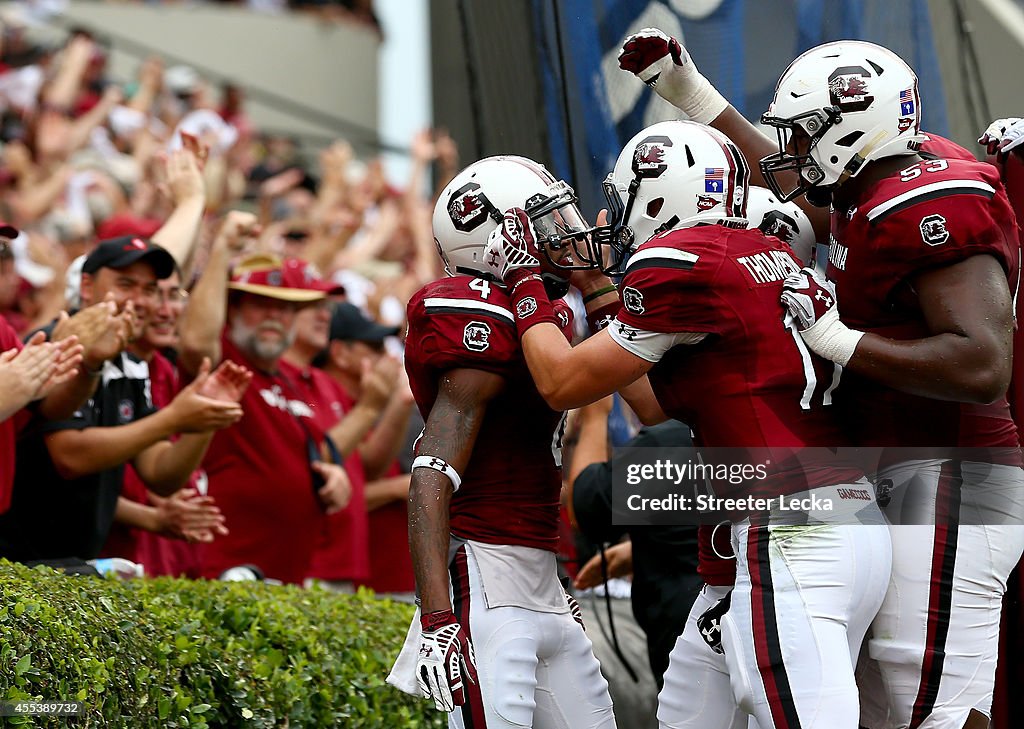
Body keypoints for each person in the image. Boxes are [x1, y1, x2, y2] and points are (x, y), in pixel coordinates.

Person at [618, 31, 1024, 729]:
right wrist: (694, 96)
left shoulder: (925, 200)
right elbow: (789, 179)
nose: (794, 150)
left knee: (934, 705)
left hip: (955, 471)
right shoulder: (866, 184)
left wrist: (842, 340)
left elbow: (984, 365)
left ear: (854, 128)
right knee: (887, 703)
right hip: (903, 468)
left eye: (807, 133)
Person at [484, 121, 891, 729]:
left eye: (625, 204)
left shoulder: (685, 261)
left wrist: (521, 282)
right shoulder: (767, 258)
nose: (617, 224)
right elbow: (656, 408)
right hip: (832, 519)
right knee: (688, 715)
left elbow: (560, 381)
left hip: (788, 530)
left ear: (656, 196)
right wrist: (597, 290)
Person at [387, 155, 616, 728]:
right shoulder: (476, 310)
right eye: (546, 223)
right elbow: (432, 471)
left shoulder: (537, 310)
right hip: (485, 577)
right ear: (494, 238)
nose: (566, 232)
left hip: (540, 573)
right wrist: (439, 617)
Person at [0, 237, 247, 563]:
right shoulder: (54, 340)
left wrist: (204, 419)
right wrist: (173, 418)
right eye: (126, 284)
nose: (141, 301)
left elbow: (161, 474)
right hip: (25, 559)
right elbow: (70, 456)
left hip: (73, 563)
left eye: (149, 290)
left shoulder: (130, 363)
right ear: (87, 286)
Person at [177, 219, 352, 585]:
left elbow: (313, 449)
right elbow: (194, 342)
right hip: (224, 571)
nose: (274, 315)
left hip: (286, 577)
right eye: (260, 303)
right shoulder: (226, 365)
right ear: (234, 311)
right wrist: (222, 248)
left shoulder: (290, 378)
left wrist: (334, 474)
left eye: (286, 307)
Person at [314, 301, 416, 596]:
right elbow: (321, 490)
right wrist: (398, 488)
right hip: (333, 575)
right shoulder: (321, 400)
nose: (386, 357)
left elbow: (368, 470)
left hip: (371, 577)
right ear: (340, 354)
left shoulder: (358, 405)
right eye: (373, 348)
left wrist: (400, 400)